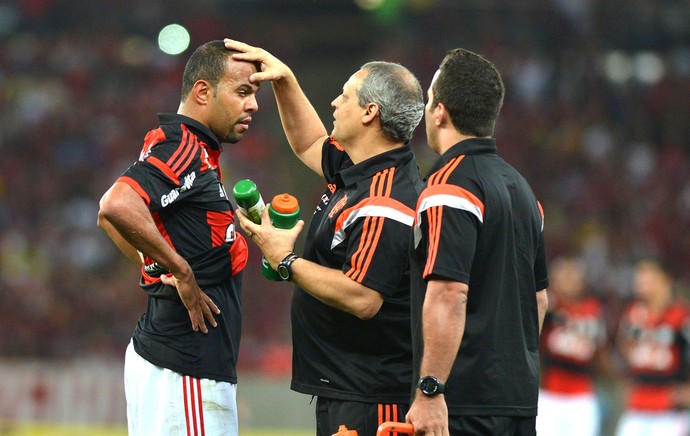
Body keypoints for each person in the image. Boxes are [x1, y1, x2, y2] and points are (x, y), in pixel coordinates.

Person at [225, 39, 425, 435]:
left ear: (371, 112)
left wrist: (286, 261)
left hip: (374, 399)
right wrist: (285, 80)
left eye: (345, 96)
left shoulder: (385, 199)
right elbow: (308, 143)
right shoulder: (360, 168)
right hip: (348, 388)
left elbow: (364, 297)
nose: (334, 103)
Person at [97, 40, 260, 435]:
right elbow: (114, 206)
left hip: (184, 367)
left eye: (255, 94)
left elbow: (113, 220)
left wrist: (153, 261)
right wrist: (180, 272)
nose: (253, 105)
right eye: (243, 92)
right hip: (184, 368)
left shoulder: (196, 150)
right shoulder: (183, 146)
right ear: (203, 91)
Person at [406, 48, 550, 436]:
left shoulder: (448, 185)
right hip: (518, 402)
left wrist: (431, 389)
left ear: (439, 112)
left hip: (464, 405)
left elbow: (449, 293)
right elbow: (538, 299)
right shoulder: (522, 190)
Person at [615, 258, 690, 436]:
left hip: (669, 413)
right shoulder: (633, 314)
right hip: (637, 408)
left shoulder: (681, 316)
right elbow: (623, 346)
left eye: (647, 275)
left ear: (665, 280)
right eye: (639, 275)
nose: (640, 280)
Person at [537, 256, 607, 436]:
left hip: (581, 396)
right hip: (549, 393)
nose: (568, 281)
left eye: (573, 275)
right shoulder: (547, 304)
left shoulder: (593, 310)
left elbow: (600, 351)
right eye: (564, 276)